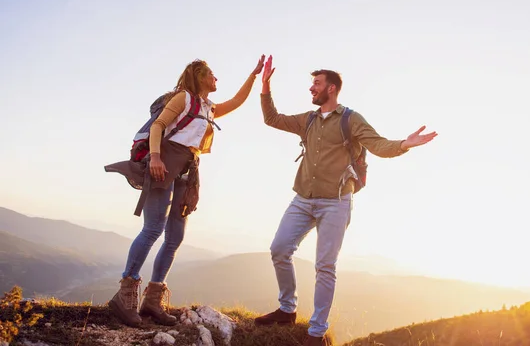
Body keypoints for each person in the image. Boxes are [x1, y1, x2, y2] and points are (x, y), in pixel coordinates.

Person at [254, 56, 437, 346]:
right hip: (303, 198)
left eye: (316, 84)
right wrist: (265, 87)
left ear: (332, 89)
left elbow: (377, 145)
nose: (311, 89)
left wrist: (404, 144)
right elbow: (272, 119)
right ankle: (287, 310)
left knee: (324, 267)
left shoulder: (351, 119)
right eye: (312, 84)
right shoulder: (309, 120)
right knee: (279, 249)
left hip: (336, 202)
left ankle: (316, 331)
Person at [106, 55, 266, 327]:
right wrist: (155, 158)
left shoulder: (207, 108)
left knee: (175, 237)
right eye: (213, 74)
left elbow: (238, 102)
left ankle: (152, 300)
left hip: (187, 172)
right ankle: (125, 295)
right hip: (163, 165)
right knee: (153, 228)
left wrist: (255, 76)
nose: (217, 79)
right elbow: (158, 126)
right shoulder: (184, 99)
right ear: (201, 77)